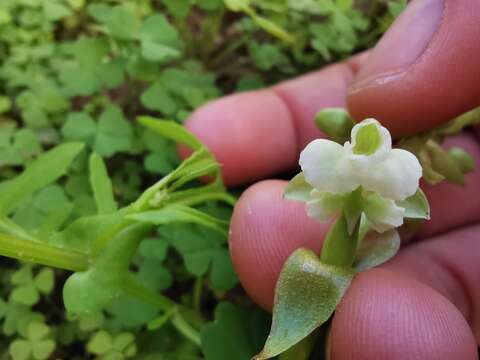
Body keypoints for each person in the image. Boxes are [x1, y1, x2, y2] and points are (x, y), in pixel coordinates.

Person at [182, 0, 480, 358]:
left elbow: (405, 198)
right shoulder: (347, 159)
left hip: (370, 206)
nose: (365, 146)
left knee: (380, 311)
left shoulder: (398, 167)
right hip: (352, 210)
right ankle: (286, 344)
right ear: (350, 138)